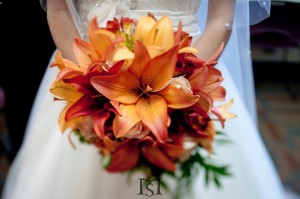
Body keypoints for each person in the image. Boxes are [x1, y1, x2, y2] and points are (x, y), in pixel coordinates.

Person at [2, 0, 287, 198]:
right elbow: (59, 10)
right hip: (89, 75)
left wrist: (179, 83)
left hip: (187, 73)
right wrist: (94, 85)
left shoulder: (184, 78)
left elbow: (220, 18)